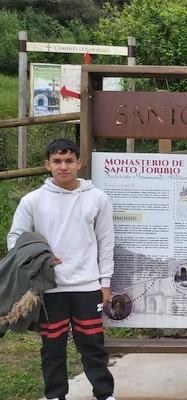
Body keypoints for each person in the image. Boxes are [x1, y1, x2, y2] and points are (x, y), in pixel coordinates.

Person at [7, 138, 116, 400]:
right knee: (52, 346)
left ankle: (104, 394)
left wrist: (105, 283)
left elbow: (106, 242)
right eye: (57, 161)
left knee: (92, 346)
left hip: (88, 287)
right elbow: (15, 239)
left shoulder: (98, 199)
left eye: (69, 161)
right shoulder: (32, 200)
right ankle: (56, 395)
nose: (63, 166)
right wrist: (38, 258)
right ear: (47, 165)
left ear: (79, 163)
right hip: (48, 288)